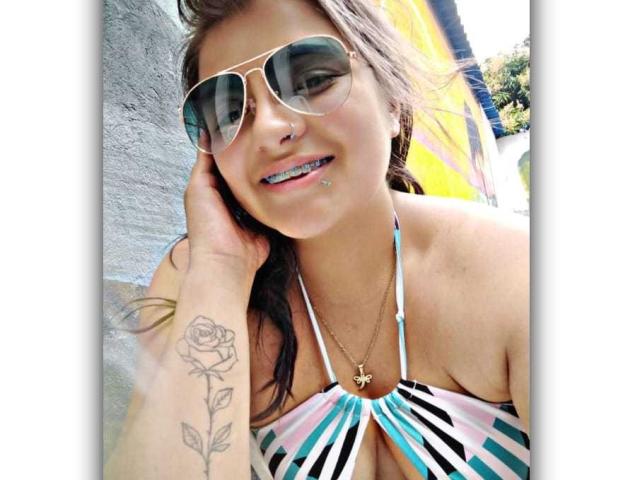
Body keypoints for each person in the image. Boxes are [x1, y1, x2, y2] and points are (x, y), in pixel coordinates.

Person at [105, 0, 530, 478]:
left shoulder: (515, 270)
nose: (269, 129)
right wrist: (220, 272)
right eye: (228, 111)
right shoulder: (197, 278)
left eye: (311, 80)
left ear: (391, 100)